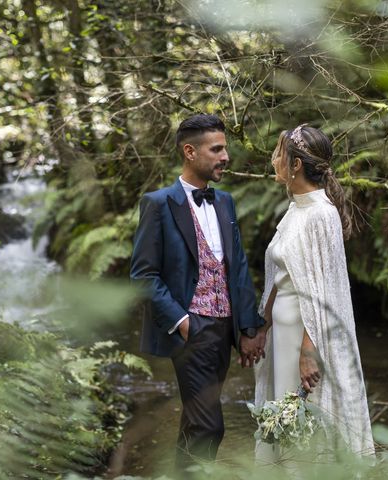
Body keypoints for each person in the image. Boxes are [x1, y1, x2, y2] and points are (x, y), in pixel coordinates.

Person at [130, 114, 266, 471]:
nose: (225, 156)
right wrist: (182, 321)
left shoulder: (225, 203)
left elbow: (236, 268)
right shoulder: (158, 204)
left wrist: (248, 328)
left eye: (225, 148)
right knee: (210, 425)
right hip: (190, 329)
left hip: (224, 329)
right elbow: (143, 275)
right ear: (190, 152)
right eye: (216, 149)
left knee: (196, 421)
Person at [253, 124, 374, 465]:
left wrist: (309, 352)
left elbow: (324, 293)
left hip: (306, 340)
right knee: (284, 421)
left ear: (295, 165)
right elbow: (281, 277)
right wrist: (262, 327)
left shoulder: (322, 214)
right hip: (283, 336)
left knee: (308, 423)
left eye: (280, 154)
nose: (274, 159)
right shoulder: (295, 210)